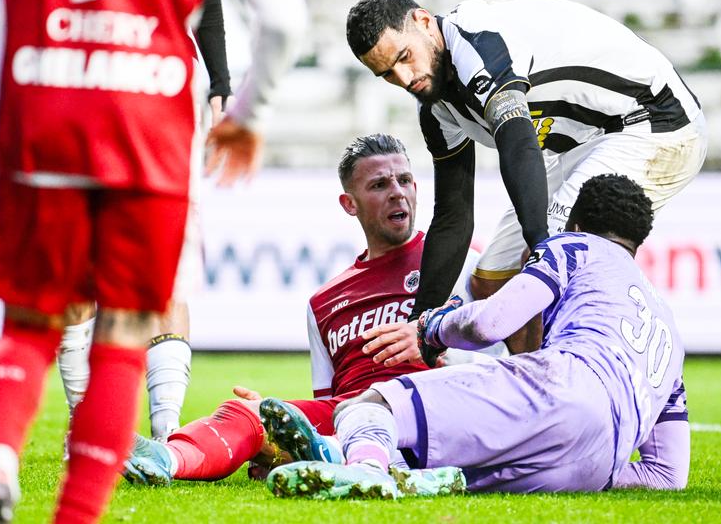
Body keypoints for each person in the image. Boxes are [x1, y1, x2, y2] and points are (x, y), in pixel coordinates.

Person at [0, 0, 305, 523]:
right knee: (124, 337)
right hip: (148, 122)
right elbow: (283, 17)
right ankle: (82, 508)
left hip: (43, 98)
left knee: (29, 326)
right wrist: (249, 112)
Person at [264, 174, 689, 499]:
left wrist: (430, 327)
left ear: (575, 222)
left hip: (563, 387)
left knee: (370, 404)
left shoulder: (573, 246)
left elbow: (492, 323)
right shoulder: (669, 330)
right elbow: (668, 474)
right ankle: (339, 454)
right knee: (447, 464)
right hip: (595, 463)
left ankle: (364, 470)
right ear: (637, 243)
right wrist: (600, 469)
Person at [345, 0, 707, 355]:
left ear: (424, 22)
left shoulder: (475, 40)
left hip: (654, 120)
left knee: (545, 262)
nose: (405, 78)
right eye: (387, 73)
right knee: (491, 281)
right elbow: (454, 215)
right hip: (586, 141)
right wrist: (420, 323)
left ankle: (582, 377)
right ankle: (532, 382)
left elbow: (518, 144)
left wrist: (541, 246)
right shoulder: (437, 108)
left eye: (404, 57)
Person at [121, 133, 494, 487]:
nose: (397, 192)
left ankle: (356, 461)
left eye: (405, 180)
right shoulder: (324, 301)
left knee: (359, 425)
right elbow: (325, 404)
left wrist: (452, 360)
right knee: (250, 413)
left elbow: (503, 367)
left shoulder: (460, 263)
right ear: (350, 204)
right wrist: (282, 433)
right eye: (380, 185)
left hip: (427, 408)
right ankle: (167, 458)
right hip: (350, 416)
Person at [56, 0, 306, 444]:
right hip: (147, 80)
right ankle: (146, 428)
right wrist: (222, 87)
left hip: (93, 78)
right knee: (148, 258)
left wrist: (219, 82)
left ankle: (113, 426)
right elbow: (263, 10)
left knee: (101, 258)